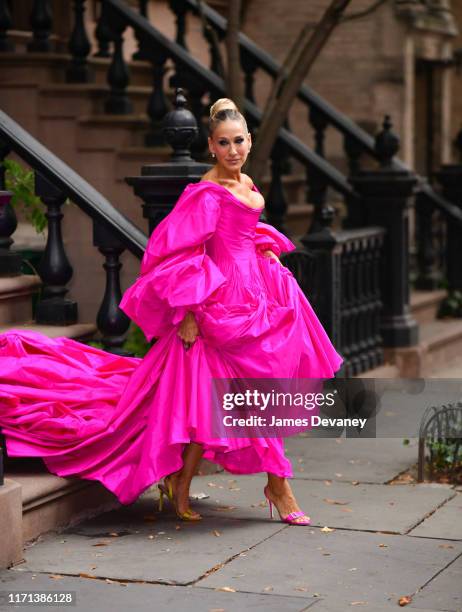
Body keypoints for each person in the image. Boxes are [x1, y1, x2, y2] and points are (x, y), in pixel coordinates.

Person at [0, 98, 343, 526]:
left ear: (250, 142)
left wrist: (268, 250)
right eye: (223, 143)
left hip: (255, 296)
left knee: (235, 397)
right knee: (220, 397)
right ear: (211, 148)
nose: (232, 150)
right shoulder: (206, 193)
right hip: (217, 301)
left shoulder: (248, 185)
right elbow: (177, 252)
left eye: (239, 141)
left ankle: (190, 480)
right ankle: (272, 484)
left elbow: (245, 232)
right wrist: (189, 313)